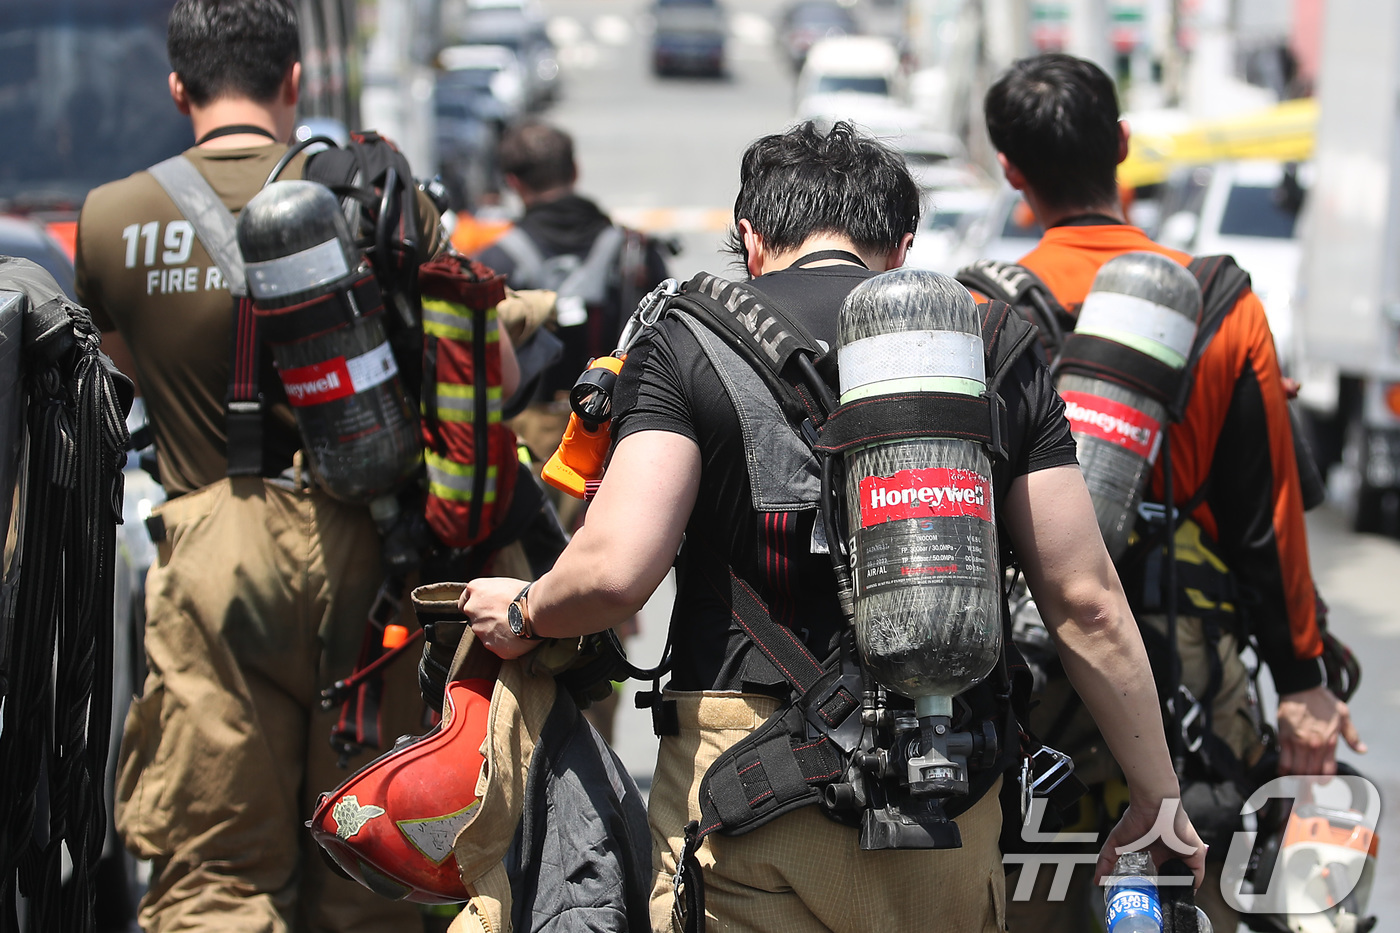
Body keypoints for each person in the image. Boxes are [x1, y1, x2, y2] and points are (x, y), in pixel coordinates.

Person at [454, 121, 1205, 933]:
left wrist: (526, 609)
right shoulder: (994, 347)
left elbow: (613, 570)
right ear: (904, 246)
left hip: (746, 801)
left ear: (750, 238)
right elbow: (1085, 599)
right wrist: (1158, 798)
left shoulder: (686, 341)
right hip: (947, 799)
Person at [73, 1, 478, 929]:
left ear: (178, 87)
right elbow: (467, 357)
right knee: (369, 864)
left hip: (215, 552)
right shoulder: (380, 197)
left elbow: (120, 373)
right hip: (374, 559)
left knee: (217, 869)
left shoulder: (110, 219)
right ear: (295, 79)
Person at [979, 52, 1366, 932]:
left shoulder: (981, 313)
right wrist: (1304, 676)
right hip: (1186, 678)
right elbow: (1266, 524)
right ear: (1122, 145)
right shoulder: (1221, 303)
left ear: (1010, 169)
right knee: (1200, 885)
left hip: (1035, 678)